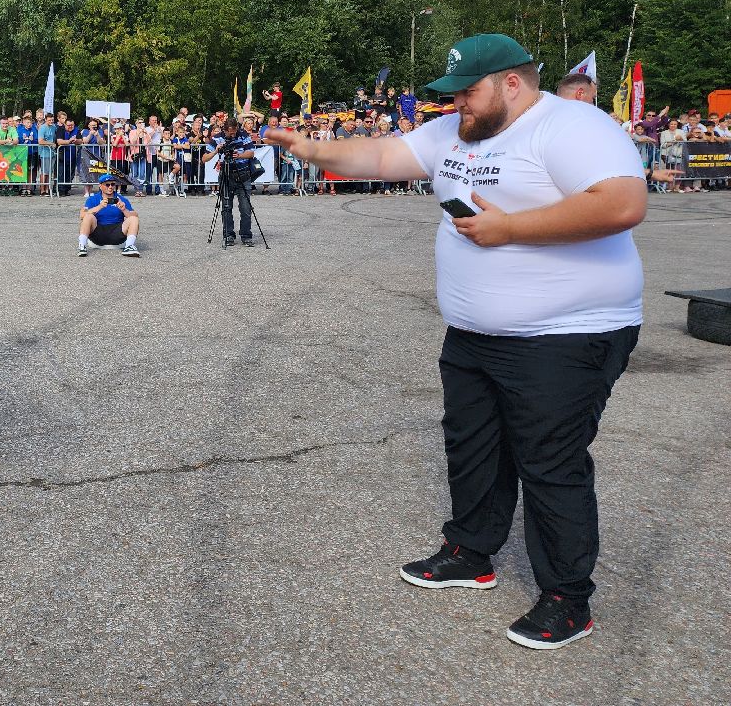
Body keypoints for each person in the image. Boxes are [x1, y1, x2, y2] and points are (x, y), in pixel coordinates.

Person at [264, 33, 647, 651]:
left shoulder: (570, 126)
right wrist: (312, 148)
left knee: (548, 461)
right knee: (473, 448)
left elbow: (624, 204)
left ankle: (567, 599)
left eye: (468, 93)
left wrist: (510, 229)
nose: (458, 105)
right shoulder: (455, 133)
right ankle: (472, 551)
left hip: (567, 333)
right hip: (474, 332)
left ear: (512, 84)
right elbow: (382, 157)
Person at [203, 117, 261, 246]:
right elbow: (204, 158)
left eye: (235, 131)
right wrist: (216, 151)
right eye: (230, 132)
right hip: (226, 175)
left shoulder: (243, 135)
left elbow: (251, 153)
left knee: (245, 207)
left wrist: (239, 155)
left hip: (243, 174)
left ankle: (246, 235)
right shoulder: (217, 138)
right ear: (225, 130)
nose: (233, 134)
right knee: (226, 207)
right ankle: (228, 234)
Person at [77, 173, 140, 257]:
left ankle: (129, 246)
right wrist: (99, 207)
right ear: (100, 186)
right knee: (88, 216)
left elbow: (134, 215)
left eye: (113, 184)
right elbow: (82, 215)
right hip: (98, 233)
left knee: (134, 219)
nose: (110, 187)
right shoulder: (92, 199)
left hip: (117, 232)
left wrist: (124, 210)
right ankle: (82, 246)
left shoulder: (121, 199)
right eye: (107, 184)